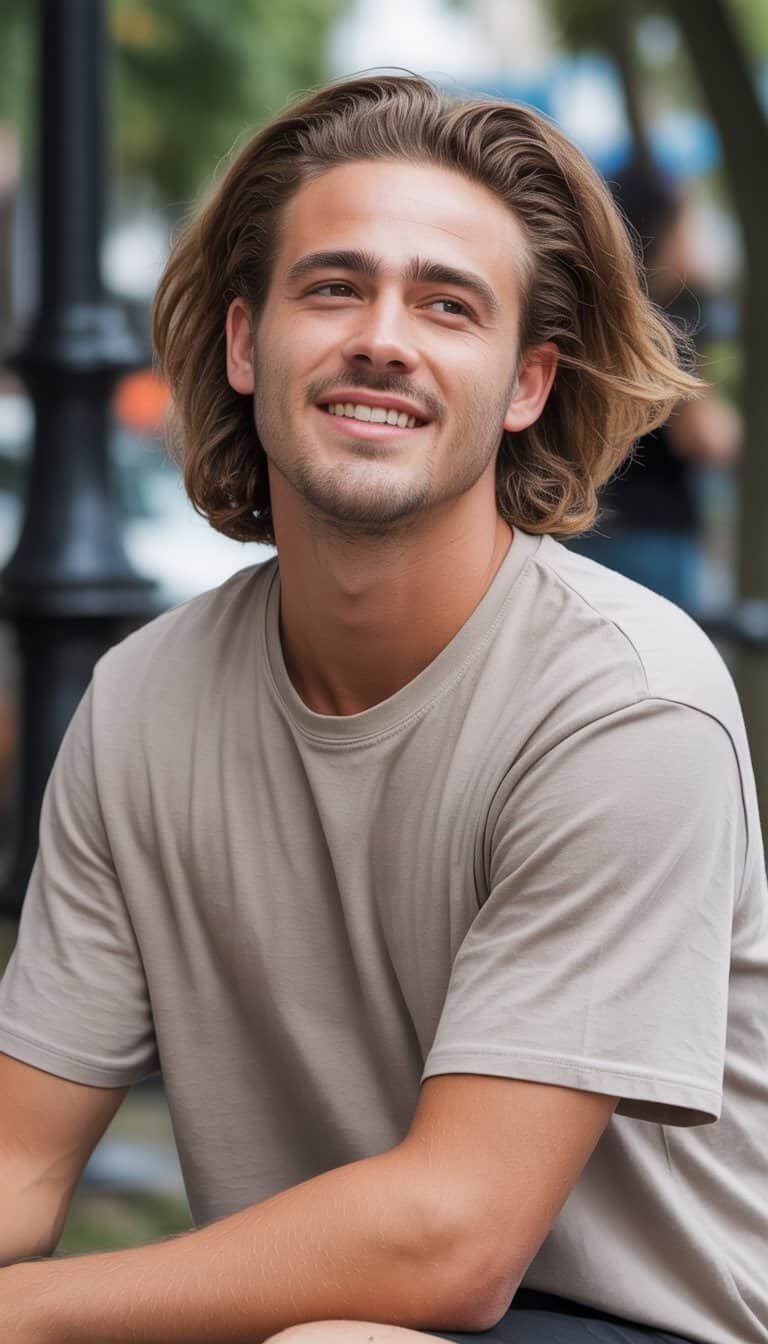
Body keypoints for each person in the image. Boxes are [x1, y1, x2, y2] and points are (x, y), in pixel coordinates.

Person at [0, 73, 765, 1344]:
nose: (383, 338)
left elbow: (451, 1241)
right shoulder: (143, 699)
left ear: (527, 385)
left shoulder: (626, 705)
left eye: (447, 306)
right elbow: (22, 1162)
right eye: (335, 286)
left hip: (636, 1324)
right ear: (248, 345)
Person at [568, 160, 742, 609]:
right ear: (661, 230)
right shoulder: (673, 322)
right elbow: (704, 438)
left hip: (581, 526)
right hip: (654, 533)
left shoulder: (586, 312)